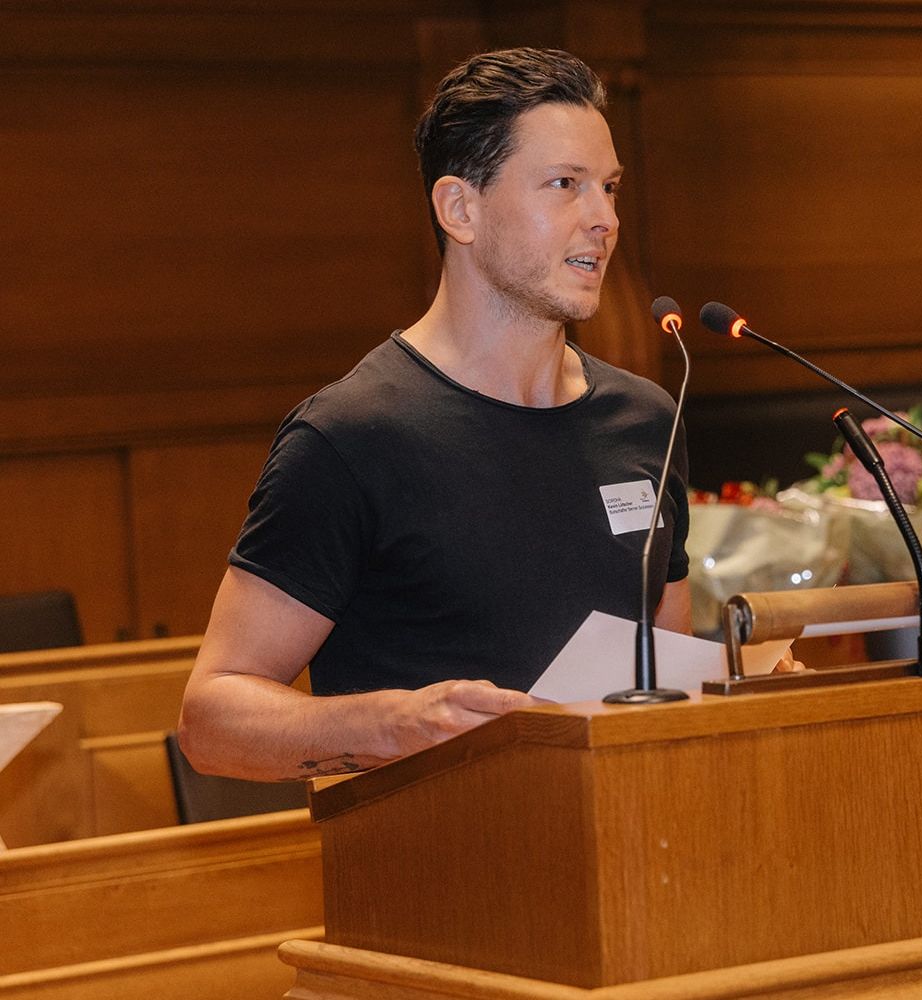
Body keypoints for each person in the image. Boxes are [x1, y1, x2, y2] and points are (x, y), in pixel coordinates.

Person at [179, 48, 693, 782]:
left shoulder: (645, 419)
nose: (605, 219)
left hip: (634, 838)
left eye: (609, 187)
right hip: (432, 849)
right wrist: (396, 725)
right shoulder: (352, 437)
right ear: (460, 209)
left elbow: (673, 683)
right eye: (565, 185)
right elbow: (211, 720)